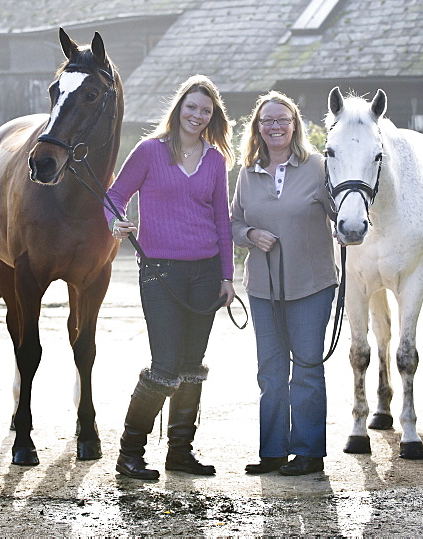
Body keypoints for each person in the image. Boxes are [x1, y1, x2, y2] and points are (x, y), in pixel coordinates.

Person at [107, 74, 236, 481]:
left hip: (206, 273)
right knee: (164, 367)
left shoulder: (215, 160)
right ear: (179, 108)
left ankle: (180, 452)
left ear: (212, 116)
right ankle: (129, 455)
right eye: (191, 107)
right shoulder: (148, 152)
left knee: (193, 366)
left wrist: (228, 277)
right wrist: (115, 222)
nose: (197, 115)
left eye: (205, 110)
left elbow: (222, 221)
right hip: (159, 272)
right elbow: (114, 196)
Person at [230, 91, 336, 476]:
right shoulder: (246, 172)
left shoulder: (319, 167)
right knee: (270, 371)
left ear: (295, 124)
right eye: (267, 120)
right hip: (263, 287)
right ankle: (272, 451)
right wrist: (250, 234)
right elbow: (233, 222)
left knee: (307, 367)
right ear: (257, 128)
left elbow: (339, 214)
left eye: (282, 119)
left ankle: (308, 452)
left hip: (311, 285)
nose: (275, 126)